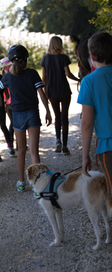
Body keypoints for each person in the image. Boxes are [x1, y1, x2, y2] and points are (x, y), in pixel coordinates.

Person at [0, 44, 52, 192]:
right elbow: (42, 94)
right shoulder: (32, 74)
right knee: (34, 151)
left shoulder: (7, 77)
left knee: (22, 150)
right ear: (25, 59)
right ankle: (40, 184)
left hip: (17, 116)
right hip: (32, 113)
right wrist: (48, 111)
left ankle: (21, 182)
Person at [77, 31, 112, 193]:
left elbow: (87, 122)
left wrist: (85, 156)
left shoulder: (89, 81)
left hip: (108, 145)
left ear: (91, 55)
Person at [40, 36, 80, 155]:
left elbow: (44, 78)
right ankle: (65, 146)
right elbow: (68, 74)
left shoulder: (45, 59)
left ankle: (58, 141)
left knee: (57, 117)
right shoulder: (63, 58)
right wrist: (79, 79)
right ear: (60, 44)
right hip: (64, 91)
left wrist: (45, 92)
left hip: (52, 92)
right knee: (64, 118)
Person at [0, 59, 15, 162]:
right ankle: (10, 148)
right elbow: (5, 90)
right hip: (1, 107)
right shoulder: (1, 77)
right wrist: (6, 98)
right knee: (3, 127)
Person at [0, 57, 14, 149]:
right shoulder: (11, 76)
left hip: (6, 103)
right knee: (14, 123)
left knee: (12, 123)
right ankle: (14, 142)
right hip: (13, 102)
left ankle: (11, 142)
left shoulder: (3, 77)